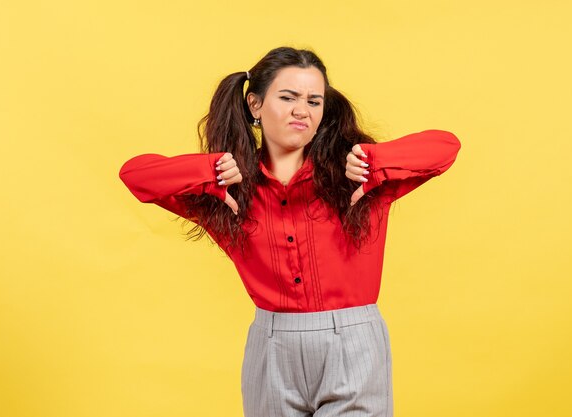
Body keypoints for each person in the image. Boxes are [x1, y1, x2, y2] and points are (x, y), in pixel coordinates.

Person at [119, 46, 461, 417]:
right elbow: (135, 175)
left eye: (315, 101)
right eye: (288, 97)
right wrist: (211, 172)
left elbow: (445, 147)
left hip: (354, 346)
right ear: (255, 105)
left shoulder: (356, 179)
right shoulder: (230, 194)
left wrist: (373, 161)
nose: (303, 110)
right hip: (271, 350)